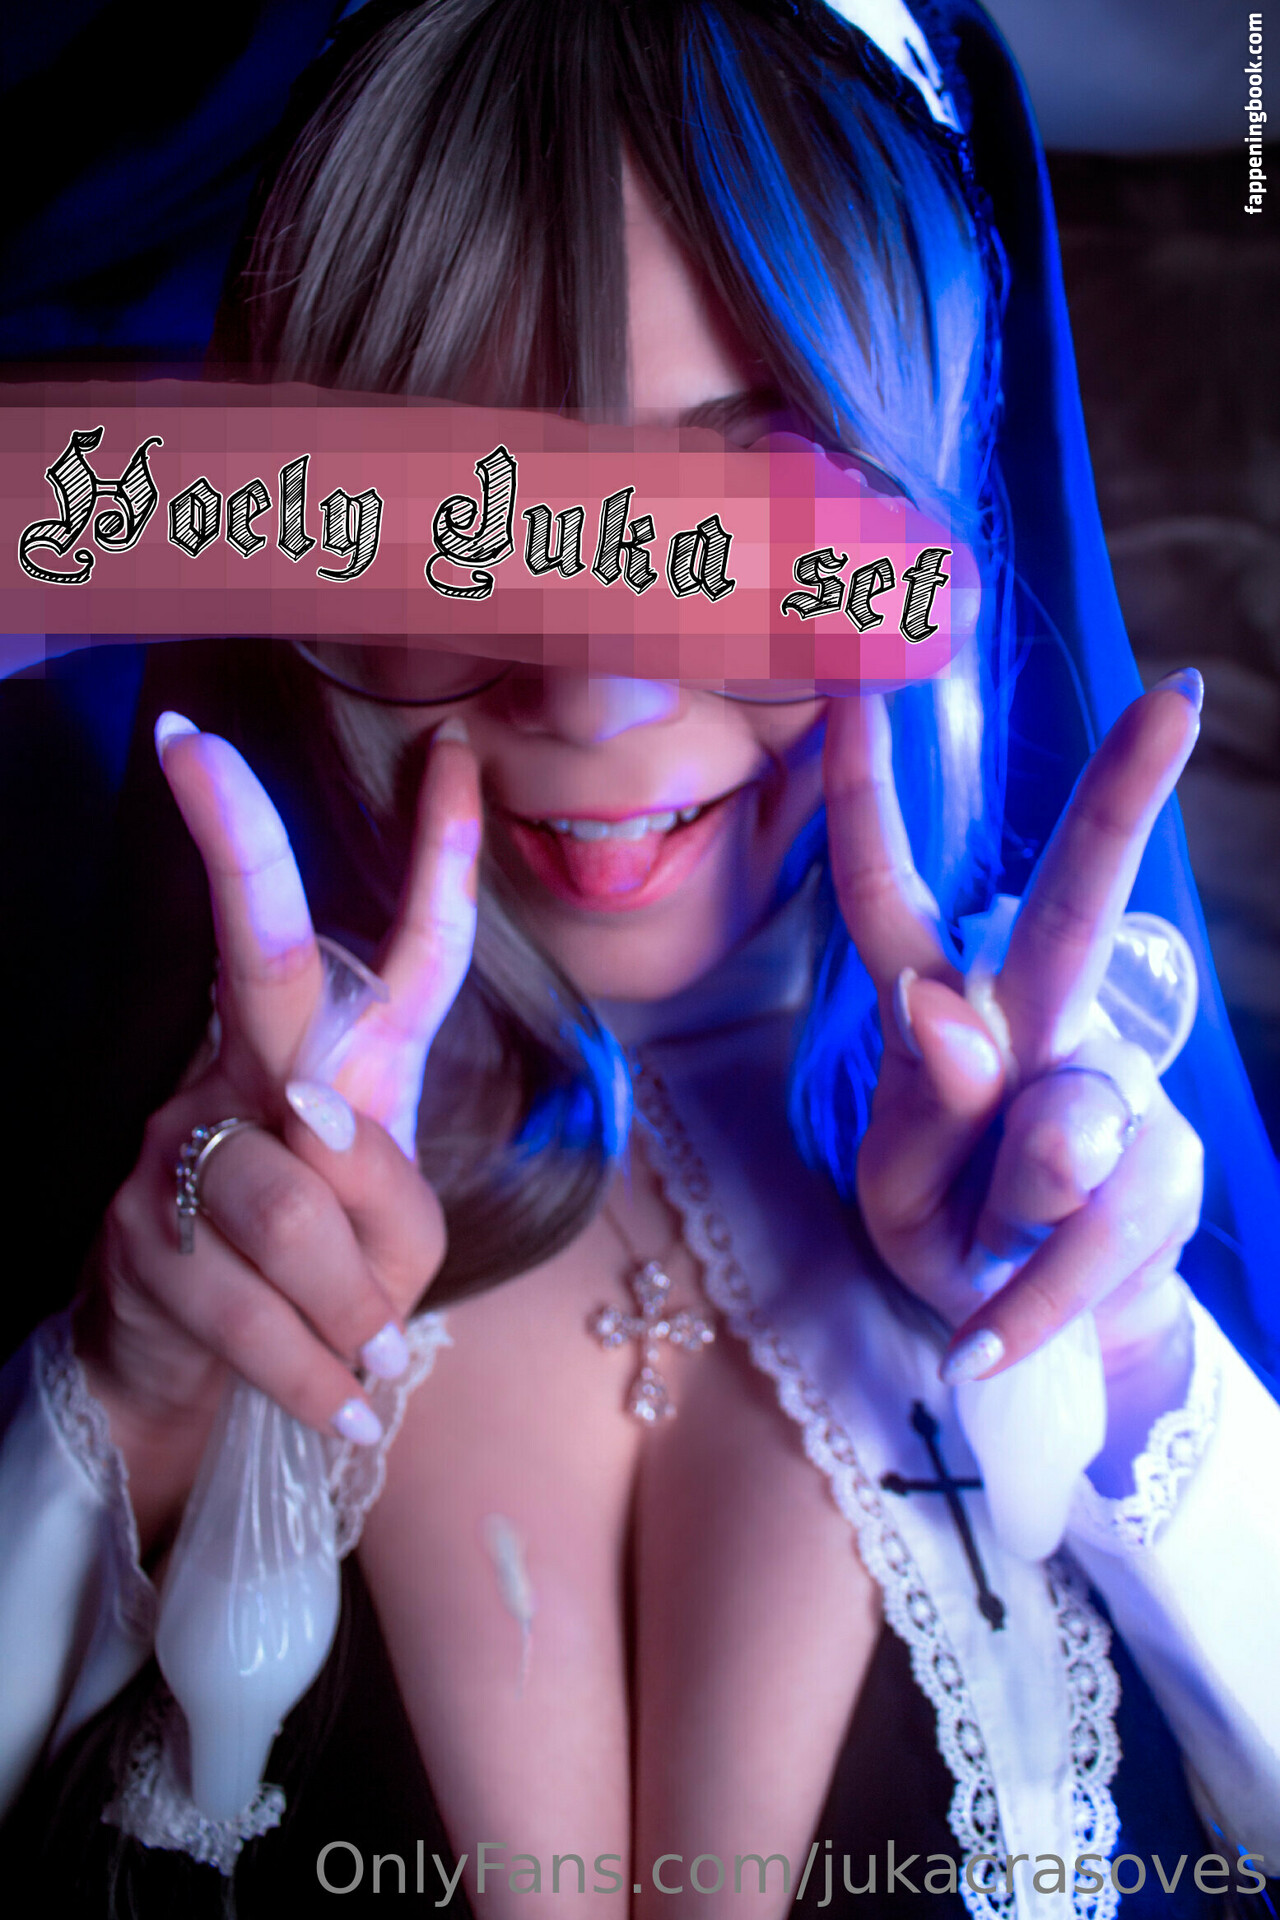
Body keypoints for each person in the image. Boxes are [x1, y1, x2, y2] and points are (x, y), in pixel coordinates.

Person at [0, 3, 1277, 1916]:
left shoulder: (1111, 1189)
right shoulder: (145, 1181)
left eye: (740, 511)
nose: (593, 692)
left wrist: (1129, 1362)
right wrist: (126, 1391)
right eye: (462, 517)